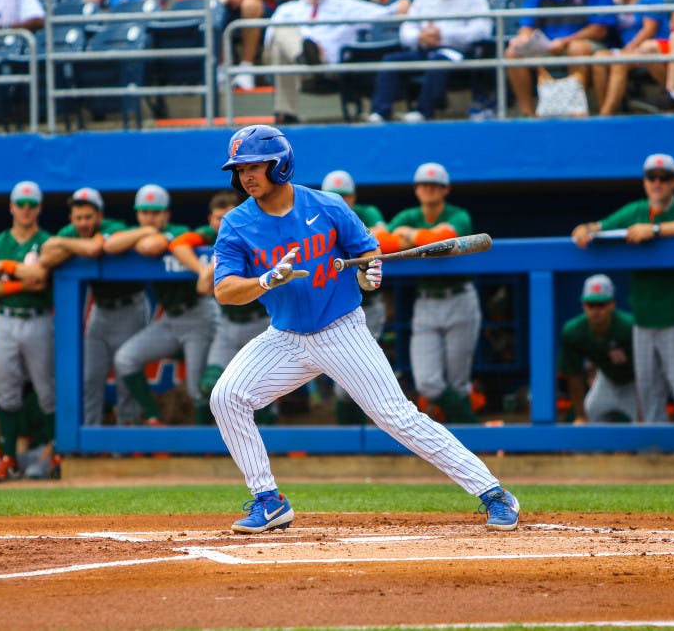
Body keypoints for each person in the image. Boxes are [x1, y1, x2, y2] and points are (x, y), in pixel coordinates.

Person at [210, 124, 519, 533]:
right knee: (226, 397)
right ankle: (269, 501)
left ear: (279, 165)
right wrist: (265, 280)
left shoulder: (328, 205)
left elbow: (368, 253)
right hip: (285, 337)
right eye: (240, 169)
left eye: (254, 166)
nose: (246, 175)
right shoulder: (236, 223)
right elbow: (224, 290)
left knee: (398, 417)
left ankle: (494, 493)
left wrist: (368, 275)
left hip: (341, 330)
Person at [570, 153, 674, 423]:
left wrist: (655, 230)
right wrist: (584, 229)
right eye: (652, 177)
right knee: (649, 394)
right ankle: (656, 448)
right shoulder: (635, 211)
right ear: (645, 181)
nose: (657, 183)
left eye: (664, 178)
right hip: (644, 320)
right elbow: (599, 227)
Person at [15, 187, 149, 426]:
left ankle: (126, 441)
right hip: (100, 311)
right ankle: (89, 437)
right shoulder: (71, 231)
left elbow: (96, 249)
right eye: (78, 218)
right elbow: (46, 257)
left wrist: (62, 243)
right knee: (89, 377)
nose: (83, 223)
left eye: (88, 217)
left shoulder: (113, 227)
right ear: (71, 218)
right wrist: (71, 244)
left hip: (129, 306)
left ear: (99, 216)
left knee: (125, 381)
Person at [168, 190, 274, 425]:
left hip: (259, 323)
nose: (224, 222)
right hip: (227, 326)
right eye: (218, 218)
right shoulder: (211, 234)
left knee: (262, 392)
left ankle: (269, 440)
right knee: (209, 385)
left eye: (229, 216)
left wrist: (214, 264)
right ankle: (208, 444)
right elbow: (179, 245)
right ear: (211, 220)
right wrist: (205, 268)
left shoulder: (254, 233)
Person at [387, 162, 482, 424]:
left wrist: (409, 235)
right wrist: (413, 236)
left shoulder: (458, 215)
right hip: (426, 302)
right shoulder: (408, 215)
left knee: (458, 383)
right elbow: (381, 240)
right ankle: (473, 428)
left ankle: (465, 438)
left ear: (445, 189)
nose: (429, 189)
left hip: (460, 298)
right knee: (428, 383)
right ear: (416, 189)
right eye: (424, 185)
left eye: (435, 185)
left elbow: (442, 241)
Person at [114, 184, 217, 426]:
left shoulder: (177, 231)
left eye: (155, 212)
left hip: (198, 315)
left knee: (197, 390)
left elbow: (152, 247)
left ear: (166, 214)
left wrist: (140, 235)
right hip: (170, 320)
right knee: (125, 358)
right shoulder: (139, 232)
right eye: (144, 212)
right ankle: (154, 417)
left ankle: (206, 444)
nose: (149, 217)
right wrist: (142, 233)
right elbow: (110, 245)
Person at [0, 180, 55, 481]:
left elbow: (41, 278)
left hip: (38, 318)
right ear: (11, 207)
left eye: (31, 205)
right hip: (6, 319)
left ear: (39, 208)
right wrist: (21, 285)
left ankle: (55, 453)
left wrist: (5, 267)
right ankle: (7, 458)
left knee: (47, 391)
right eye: (21, 204)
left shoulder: (46, 241)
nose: (26, 210)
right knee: (7, 391)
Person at [266, 0, 407, 124]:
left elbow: (385, 14)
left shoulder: (347, 6)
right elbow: (270, 40)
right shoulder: (287, 10)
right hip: (295, 66)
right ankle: (304, 55)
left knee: (283, 39)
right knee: (281, 31)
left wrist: (402, 4)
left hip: (330, 67)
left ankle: (285, 113)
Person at [367, 0, 495, 123]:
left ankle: (424, 112)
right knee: (391, 61)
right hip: (426, 50)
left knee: (439, 60)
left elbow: (482, 29)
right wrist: (419, 36)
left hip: (459, 52)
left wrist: (444, 35)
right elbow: (406, 29)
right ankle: (380, 112)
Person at [319, 169, 392, 424]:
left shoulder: (367, 213)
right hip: (329, 311)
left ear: (353, 197)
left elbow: (382, 238)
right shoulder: (315, 217)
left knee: (350, 383)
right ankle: (350, 438)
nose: (340, 201)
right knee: (346, 383)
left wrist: (351, 240)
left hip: (366, 308)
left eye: (345, 196)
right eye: (334, 195)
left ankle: (363, 435)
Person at [504, 0, 616, 117]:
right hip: (548, 46)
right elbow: (527, 25)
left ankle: (577, 111)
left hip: (585, 42)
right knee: (513, 53)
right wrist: (523, 38)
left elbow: (599, 30)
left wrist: (565, 41)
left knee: (576, 48)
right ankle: (528, 114)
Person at [591, 0, 669, 116]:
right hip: (628, 50)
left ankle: (604, 116)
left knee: (620, 62)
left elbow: (649, 30)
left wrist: (627, 50)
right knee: (599, 58)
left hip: (651, 49)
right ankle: (604, 108)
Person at [558, 274, 638, 423]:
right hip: (606, 381)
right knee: (586, 424)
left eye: (601, 305)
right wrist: (581, 416)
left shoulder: (628, 327)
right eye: (590, 305)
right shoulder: (573, 331)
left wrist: (642, 409)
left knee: (646, 427)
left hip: (634, 384)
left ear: (612, 305)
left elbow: (645, 371)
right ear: (583, 306)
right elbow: (573, 376)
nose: (595, 310)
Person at [218, 0, 293, 91]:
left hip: (267, 5)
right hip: (231, 5)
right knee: (214, 7)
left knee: (250, 4)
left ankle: (246, 68)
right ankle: (222, 69)